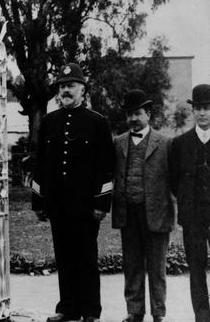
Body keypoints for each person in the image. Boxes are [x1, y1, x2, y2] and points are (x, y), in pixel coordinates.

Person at [31, 63, 114, 322]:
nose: (66, 90)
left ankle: (91, 311)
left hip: (86, 205)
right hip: (58, 203)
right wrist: (39, 201)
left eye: (71, 85)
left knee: (86, 257)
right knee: (64, 256)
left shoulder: (97, 122)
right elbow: (40, 163)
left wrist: (102, 202)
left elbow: (106, 166)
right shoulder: (48, 122)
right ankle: (68, 308)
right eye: (62, 86)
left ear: (83, 90)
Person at [170, 84, 210, 322]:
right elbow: (175, 181)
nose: (202, 113)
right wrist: (188, 202)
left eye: (207, 108)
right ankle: (202, 318)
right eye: (198, 108)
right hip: (193, 217)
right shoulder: (180, 144)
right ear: (193, 111)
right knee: (196, 272)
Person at [112, 89, 174, 322]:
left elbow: (175, 180)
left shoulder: (166, 143)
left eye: (137, 114)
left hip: (157, 214)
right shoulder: (118, 143)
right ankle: (134, 311)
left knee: (157, 267)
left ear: (148, 114)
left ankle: (158, 312)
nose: (133, 119)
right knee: (132, 265)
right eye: (129, 115)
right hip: (128, 213)